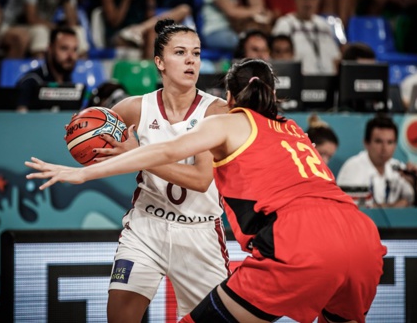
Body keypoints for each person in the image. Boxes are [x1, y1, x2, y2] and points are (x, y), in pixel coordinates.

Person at [25, 57, 386, 323]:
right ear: (273, 95)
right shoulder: (294, 129)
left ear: (229, 97)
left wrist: (84, 174)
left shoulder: (228, 121)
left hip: (299, 237)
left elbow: (166, 151)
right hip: (361, 237)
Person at [30, 19, 230, 321]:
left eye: (196, 53)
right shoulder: (135, 108)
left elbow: (201, 180)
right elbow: (96, 136)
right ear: (159, 62)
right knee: (120, 316)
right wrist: (81, 129)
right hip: (146, 226)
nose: (191, 60)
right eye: (180, 52)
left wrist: (140, 155)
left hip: (198, 231)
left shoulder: (216, 112)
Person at [337, 115, 417, 208]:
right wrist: (394, 206)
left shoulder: (399, 168)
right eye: (378, 142)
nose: (384, 148)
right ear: (366, 143)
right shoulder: (353, 168)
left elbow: (416, 203)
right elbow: (349, 208)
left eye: (390, 142)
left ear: (395, 145)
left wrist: (415, 183)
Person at [272, 0, 341, 74]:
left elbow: (336, 57)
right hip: (300, 81)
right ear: (295, 0)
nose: (308, 3)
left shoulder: (324, 25)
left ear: (318, 1)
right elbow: (278, 58)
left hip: (327, 81)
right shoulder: (285, 24)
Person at [15, 26, 79, 111]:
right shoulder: (32, 81)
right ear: (50, 49)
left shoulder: (69, 82)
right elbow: (19, 117)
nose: (71, 56)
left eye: (74, 49)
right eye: (64, 48)